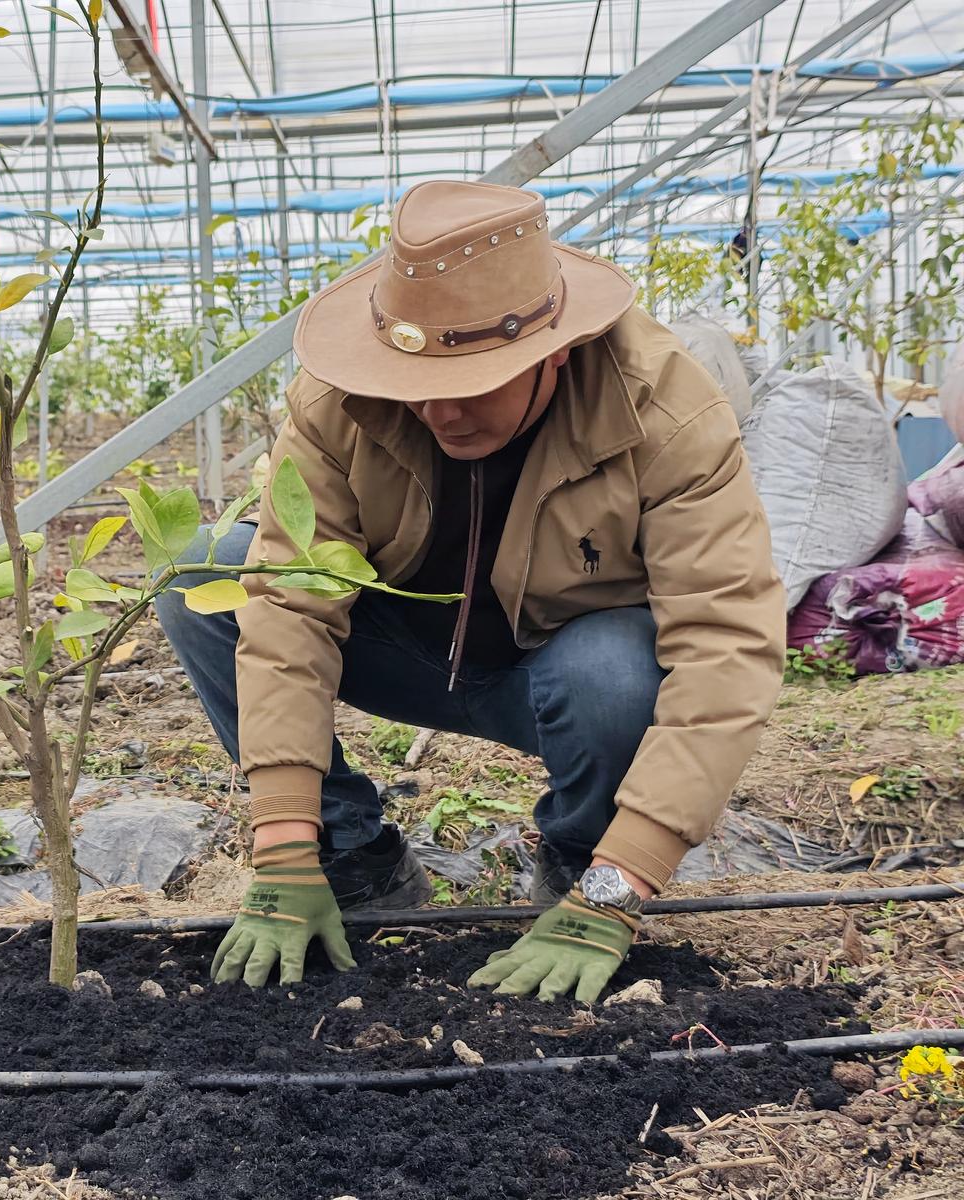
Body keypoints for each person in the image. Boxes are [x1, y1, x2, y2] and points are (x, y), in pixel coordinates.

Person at [155, 180, 785, 1004]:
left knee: (616, 669)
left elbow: (726, 647)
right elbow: (292, 604)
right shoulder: (341, 403)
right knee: (208, 573)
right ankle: (354, 858)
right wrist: (282, 847)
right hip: (400, 649)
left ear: (553, 350)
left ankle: (579, 869)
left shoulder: (663, 410)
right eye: (414, 381)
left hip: (560, 675)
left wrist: (623, 879)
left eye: (475, 380)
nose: (438, 410)